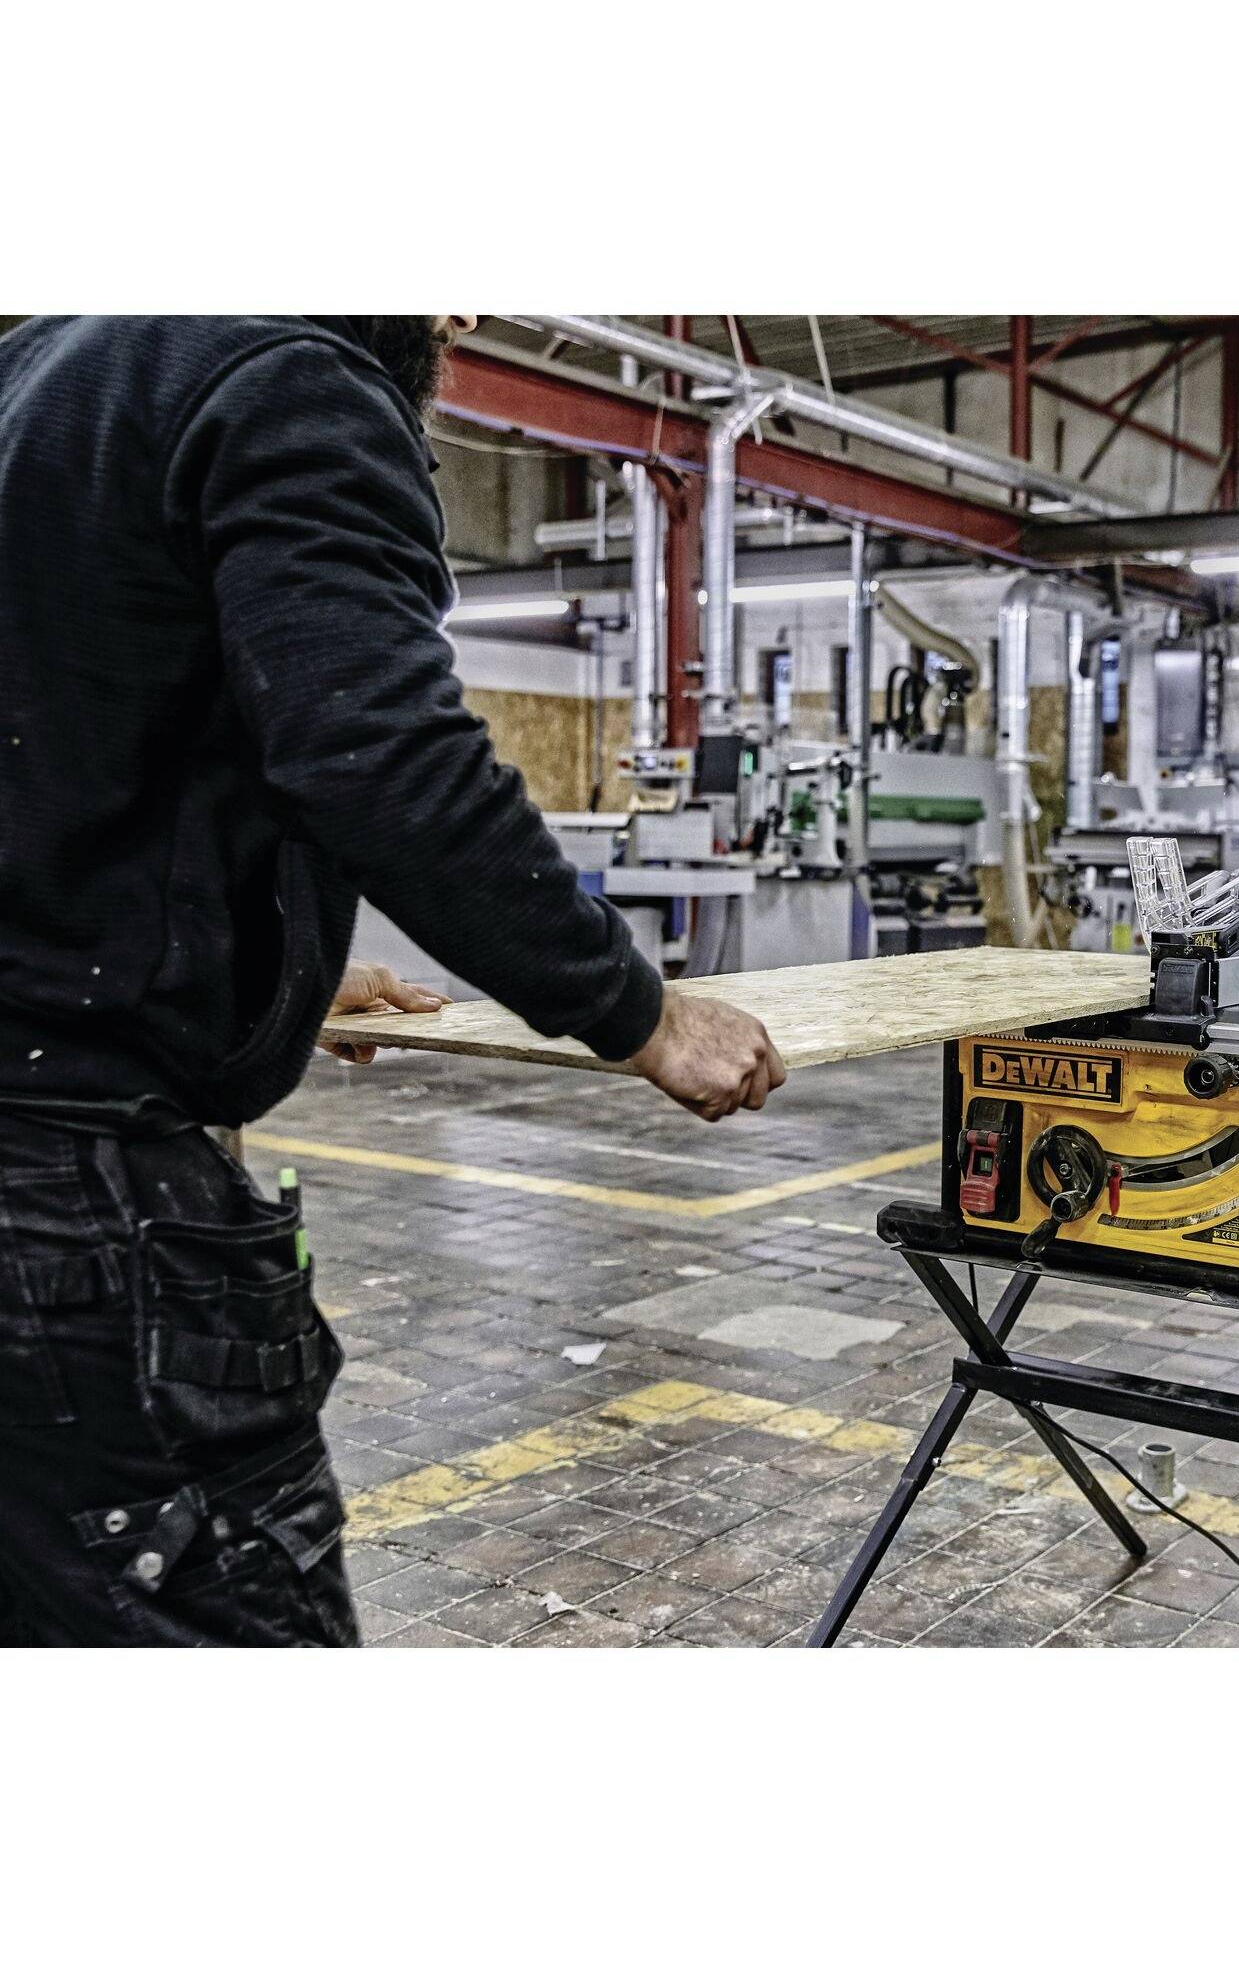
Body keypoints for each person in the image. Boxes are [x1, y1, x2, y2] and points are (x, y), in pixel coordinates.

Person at [0, 316, 785, 1646]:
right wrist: (640, 1011)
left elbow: (77, 787)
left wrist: (272, 979)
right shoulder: (284, 380)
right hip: (85, 1229)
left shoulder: (35, 377)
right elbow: (375, 752)